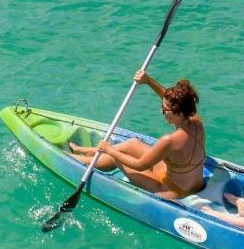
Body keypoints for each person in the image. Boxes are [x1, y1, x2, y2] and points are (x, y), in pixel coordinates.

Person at [68, 72, 207, 199]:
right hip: (191, 182)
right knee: (132, 143)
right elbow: (171, 99)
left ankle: (78, 159)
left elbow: (139, 165)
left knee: (115, 156)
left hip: (171, 190)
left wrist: (110, 150)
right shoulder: (196, 121)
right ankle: (89, 151)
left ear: (178, 112)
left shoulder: (169, 140)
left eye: (164, 110)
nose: (161, 111)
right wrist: (147, 81)